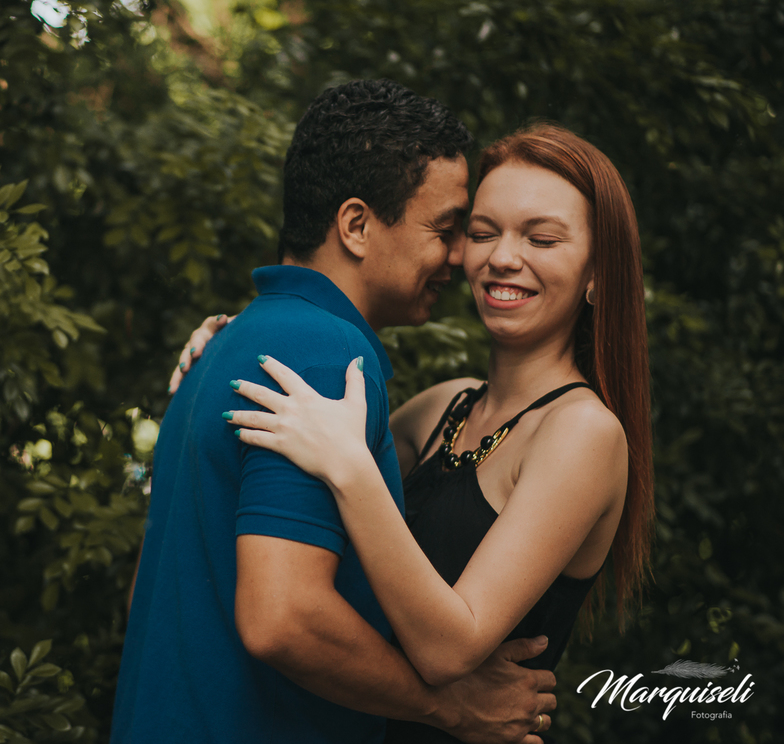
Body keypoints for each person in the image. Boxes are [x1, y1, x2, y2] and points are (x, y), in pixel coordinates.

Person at [112, 79, 558, 744]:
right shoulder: (323, 349)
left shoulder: (231, 345)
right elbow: (283, 616)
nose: (461, 255)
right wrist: (447, 706)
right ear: (355, 225)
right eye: (445, 229)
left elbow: (148, 597)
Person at [201, 123, 653, 742]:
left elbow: (450, 646)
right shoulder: (444, 407)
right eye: (483, 232)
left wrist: (351, 469)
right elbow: (293, 500)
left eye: (541, 238)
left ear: (597, 273)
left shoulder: (585, 433)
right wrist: (224, 352)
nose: (501, 257)